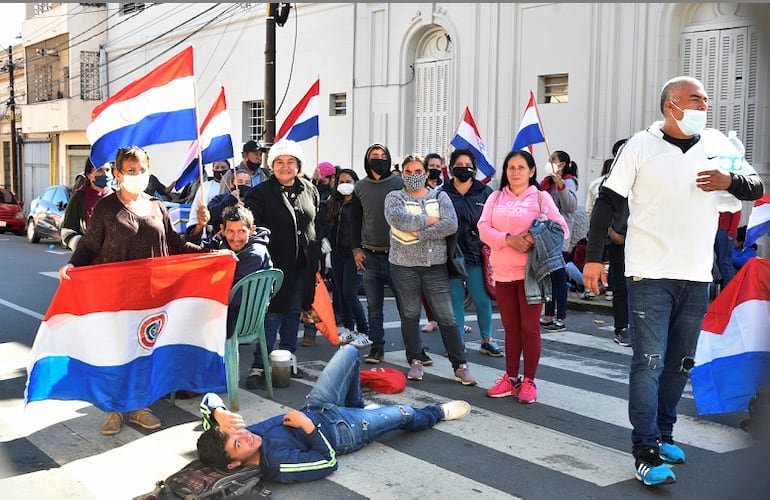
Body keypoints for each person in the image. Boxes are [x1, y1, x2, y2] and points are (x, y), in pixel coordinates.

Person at [583, 75, 764, 487]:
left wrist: (728, 181)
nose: (705, 106)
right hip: (649, 273)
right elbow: (607, 202)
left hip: (696, 275)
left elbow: (755, 185)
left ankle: (664, 435)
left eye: (706, 100)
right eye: (696, 100)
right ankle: (644, 450)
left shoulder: (718, 143)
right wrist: (593, 260)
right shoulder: (640, 145)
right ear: (672, 106)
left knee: (680, 363)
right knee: (648, 362)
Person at [58, 146, 209, 436]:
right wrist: (72, 266)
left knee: (144, 351)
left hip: (152, 297)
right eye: (131, 171)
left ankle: (140, 406)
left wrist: (211, 251)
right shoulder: (106, 208)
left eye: (141, 170)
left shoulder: (157, 206)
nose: (137, 176)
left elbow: (176, 246)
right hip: (115, 296)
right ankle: (114, 410)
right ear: (117, 174)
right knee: (115, 352)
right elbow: (89, 246)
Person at [196, 344, 471, 482]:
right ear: (234, 464)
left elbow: (208, 400)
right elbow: (327, 462)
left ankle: (356, 403)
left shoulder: (233, 438)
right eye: (238, 443)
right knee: (405, 413)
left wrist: (219, 413)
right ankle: (437, 413)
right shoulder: (276, 464)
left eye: (237, 434)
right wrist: (307, 428)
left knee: (349, 351)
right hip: (344, 431)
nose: (245, 435)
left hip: (317, 406)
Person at [478, 150, 569, 404]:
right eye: (510, 167)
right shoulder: (495, 198)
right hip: (503, 273)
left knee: (530, 329)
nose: (515, 172)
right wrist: (508, 240)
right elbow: (483, 228)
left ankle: (529, 380)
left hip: (533, 274)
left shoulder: (541, 198)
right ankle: (510, 378)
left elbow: (562, 229)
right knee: (510, 329)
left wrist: (531, 238)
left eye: (521, 167)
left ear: (531, 171)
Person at [384, 153, 477, 386]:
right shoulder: (394, 197)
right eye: (408, 172)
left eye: (418, 172)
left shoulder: (441, 196)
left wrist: (421, 233)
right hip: (403, 266)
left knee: (446, 316)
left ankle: (460, 366)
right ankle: (415, 360)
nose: (413, 176)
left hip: (435, 266)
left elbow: (451, 224)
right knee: (410, 314)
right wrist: (431, 220)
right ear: (402, 174)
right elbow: (399, 221)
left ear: (426, 173)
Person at [242, 139, 321, 389]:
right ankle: (258, 365)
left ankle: (286, 359)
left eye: (290, 162)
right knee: (269, 315)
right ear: (271, 165)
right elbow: (252, 227)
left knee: (292, 313)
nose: (285, 167)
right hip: (272, 268)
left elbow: (315, 223)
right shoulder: (260, 193)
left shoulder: (310, 190)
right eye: (279, 162)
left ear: (298, 165)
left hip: (302, 266)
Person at [350, 143, 407, 364]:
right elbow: (355, 221)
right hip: (370, 256)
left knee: (407, 308)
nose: (380, 159)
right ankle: (377, 347)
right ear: (367, 159)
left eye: (384, 155)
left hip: (398, 255)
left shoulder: (400, 183)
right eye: (375, 155)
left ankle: (415, 350)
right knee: (374, 307)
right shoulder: (360, 187)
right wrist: (356, 249)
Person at [441, 148, 501, 356]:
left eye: (468, 165)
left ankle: (487, 339)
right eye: (458, 165)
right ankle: (458, 343)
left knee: (481, 298)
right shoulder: (442, 192)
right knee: (455, 299)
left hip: (477, 255)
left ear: (474, 169)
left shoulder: (486, 193)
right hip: (450, 255)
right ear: (451, 168)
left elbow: (496, 222)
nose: (463, 169)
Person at [202, 204, 273, 338]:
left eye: (241, 231)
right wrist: (199, 228)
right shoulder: (223, 243)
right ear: (222, 230)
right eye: (230, 231)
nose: (235, 238)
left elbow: (232, 292)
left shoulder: (255, 253)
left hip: (243, 316)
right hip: (229, 311)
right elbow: (196, 251)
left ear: (252, 230)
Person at [325, 168, 371, 347]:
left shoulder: (361, 204)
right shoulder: (333, 203)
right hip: (336, 253)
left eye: (348, 181)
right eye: (341, 181)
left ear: (356, 183)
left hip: (355, 253)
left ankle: (364, 330)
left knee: (350, 293)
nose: (344, 185)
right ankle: (349, 329)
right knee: (341, 293)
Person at [539, 150, 578, 332]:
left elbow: (570, 206)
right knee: (548, 279)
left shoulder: (568, 182)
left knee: (559, 280)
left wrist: (560, 184)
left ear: (562, 164)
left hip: (559, 238)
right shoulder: (546, 184)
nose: (550, 162)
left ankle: (560, 316)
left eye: (553, 160)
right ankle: (548, 315)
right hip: (545, 237)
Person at [61, 158, 113, 251]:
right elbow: (67, 231)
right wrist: (82, 246)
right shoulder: (79, 198)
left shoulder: (118, 196)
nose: (105, 174)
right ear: (89, 175)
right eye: (100, 170)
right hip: (89, 259)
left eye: (108, 170)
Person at [186, 160, 233, 243]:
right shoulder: (205, 187)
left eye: (223, 167)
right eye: (217, 167)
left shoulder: (233, 187)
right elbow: (197, 208)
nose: (219, 170)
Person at [713, 208, 741, 290]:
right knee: (720, 260)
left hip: (726, 231)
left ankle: (730, 289)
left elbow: (737, 212)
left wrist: (731, 232)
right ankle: (728, 288)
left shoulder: (732, 197)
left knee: (724, 260)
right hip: (719, 230)